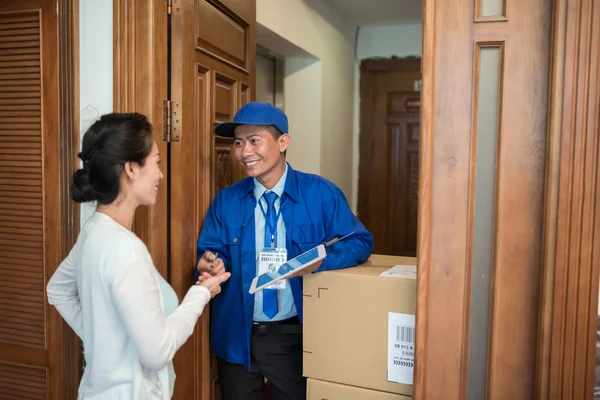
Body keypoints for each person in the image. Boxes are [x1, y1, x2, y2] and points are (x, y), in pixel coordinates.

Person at [195, 102, 374, 400]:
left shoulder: (320, 194)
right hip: (237, 335)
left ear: (282, 142)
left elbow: (359, 241)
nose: (245, 152)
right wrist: (210, 264)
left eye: (254, 141)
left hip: (296, 336)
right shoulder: (226, 201)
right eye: (239, 143)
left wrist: (320, 263)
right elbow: (210, 251)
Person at [47, 113, 230, 400]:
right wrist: (200, 294)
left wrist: (104, 342)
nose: (160, 174)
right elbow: (158, 353)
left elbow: (56, 290)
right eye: (156, 162)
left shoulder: (92, 232)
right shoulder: (125, 248)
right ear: (132, 168)